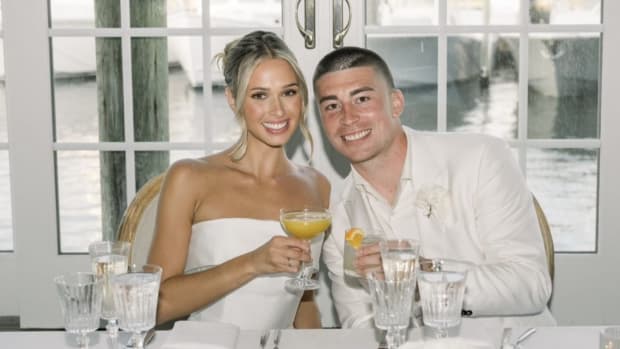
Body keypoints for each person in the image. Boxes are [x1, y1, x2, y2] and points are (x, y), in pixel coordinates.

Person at [314, 46, 555, 328]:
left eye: (362, 99)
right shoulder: (338, 219)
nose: (347, 117)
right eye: (332, 106)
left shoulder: (481, 158)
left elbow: (530, 284)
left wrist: (424, 276)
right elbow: (360, 323)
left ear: (396, 103)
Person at [148, 30, 330, 330]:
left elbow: (303, 301)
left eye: (289, 92)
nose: (278, 110)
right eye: (260, 95)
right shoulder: (189, 178)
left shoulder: (317, 186)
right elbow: (156, 306)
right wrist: (253, 263)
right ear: (233, 100)